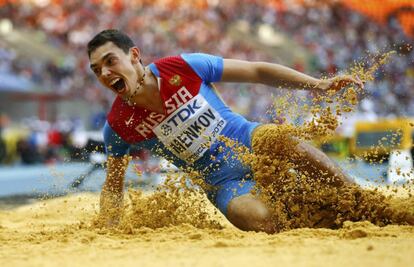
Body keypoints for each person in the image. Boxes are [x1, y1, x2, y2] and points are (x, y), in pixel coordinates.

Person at [87, 29, 365, 233]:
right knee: (261, 222)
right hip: (224, 183)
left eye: (110, 61)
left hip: (250, 140)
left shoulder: (182, 66)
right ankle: (318, 217)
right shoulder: (118, 125)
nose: (105, 73)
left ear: (134, 55)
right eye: (97, 70)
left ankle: (361, 201)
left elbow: (257, 71)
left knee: (282, 139)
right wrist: (108, 228)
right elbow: (113, 186)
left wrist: (317, 85)